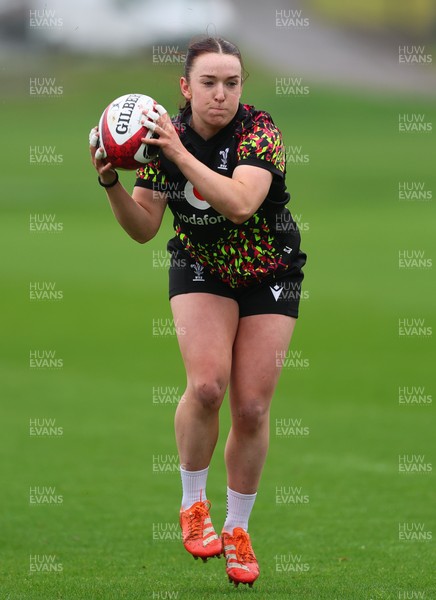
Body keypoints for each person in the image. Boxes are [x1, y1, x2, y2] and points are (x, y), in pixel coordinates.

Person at [89, 36, 306, 588]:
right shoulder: (161, 139)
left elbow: (239, 206)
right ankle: (193, 506)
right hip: (200, 268)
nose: (221, 94)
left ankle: (237, 529)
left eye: (232, 83)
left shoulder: (260, 131)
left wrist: (179, 153)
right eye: (208, 83)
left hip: (269, 271)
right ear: (185, 88)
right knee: (208, 387)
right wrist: (110, 179)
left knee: (252, 407)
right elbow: (143, 229)